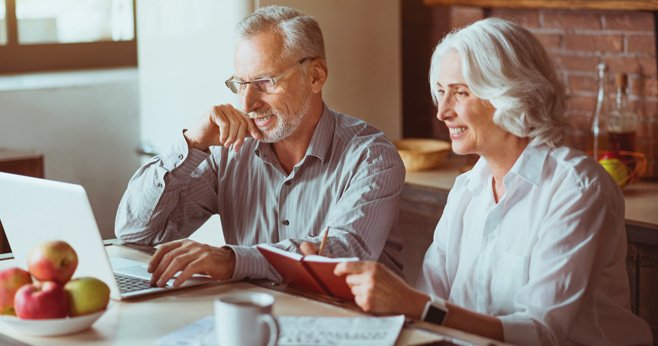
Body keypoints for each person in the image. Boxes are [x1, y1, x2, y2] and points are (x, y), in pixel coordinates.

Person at [325, 18, 653, 345]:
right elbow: (429, 300)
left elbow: (541, 332)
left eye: (460, 93)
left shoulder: (577, 188)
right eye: (441, 93)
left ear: (510, 94)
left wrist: (414, 304)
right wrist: (333, 279)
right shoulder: (467, 189)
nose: (442, 112)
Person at [115, 5, 405, 288]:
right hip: (261, 323)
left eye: (264, 82)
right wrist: (191, 143)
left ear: (315, 75)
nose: (247, 103)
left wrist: (232, 261)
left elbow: (341, 258)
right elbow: (134, 233)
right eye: (241, 84)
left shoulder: (372, 157)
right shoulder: (229, 152)